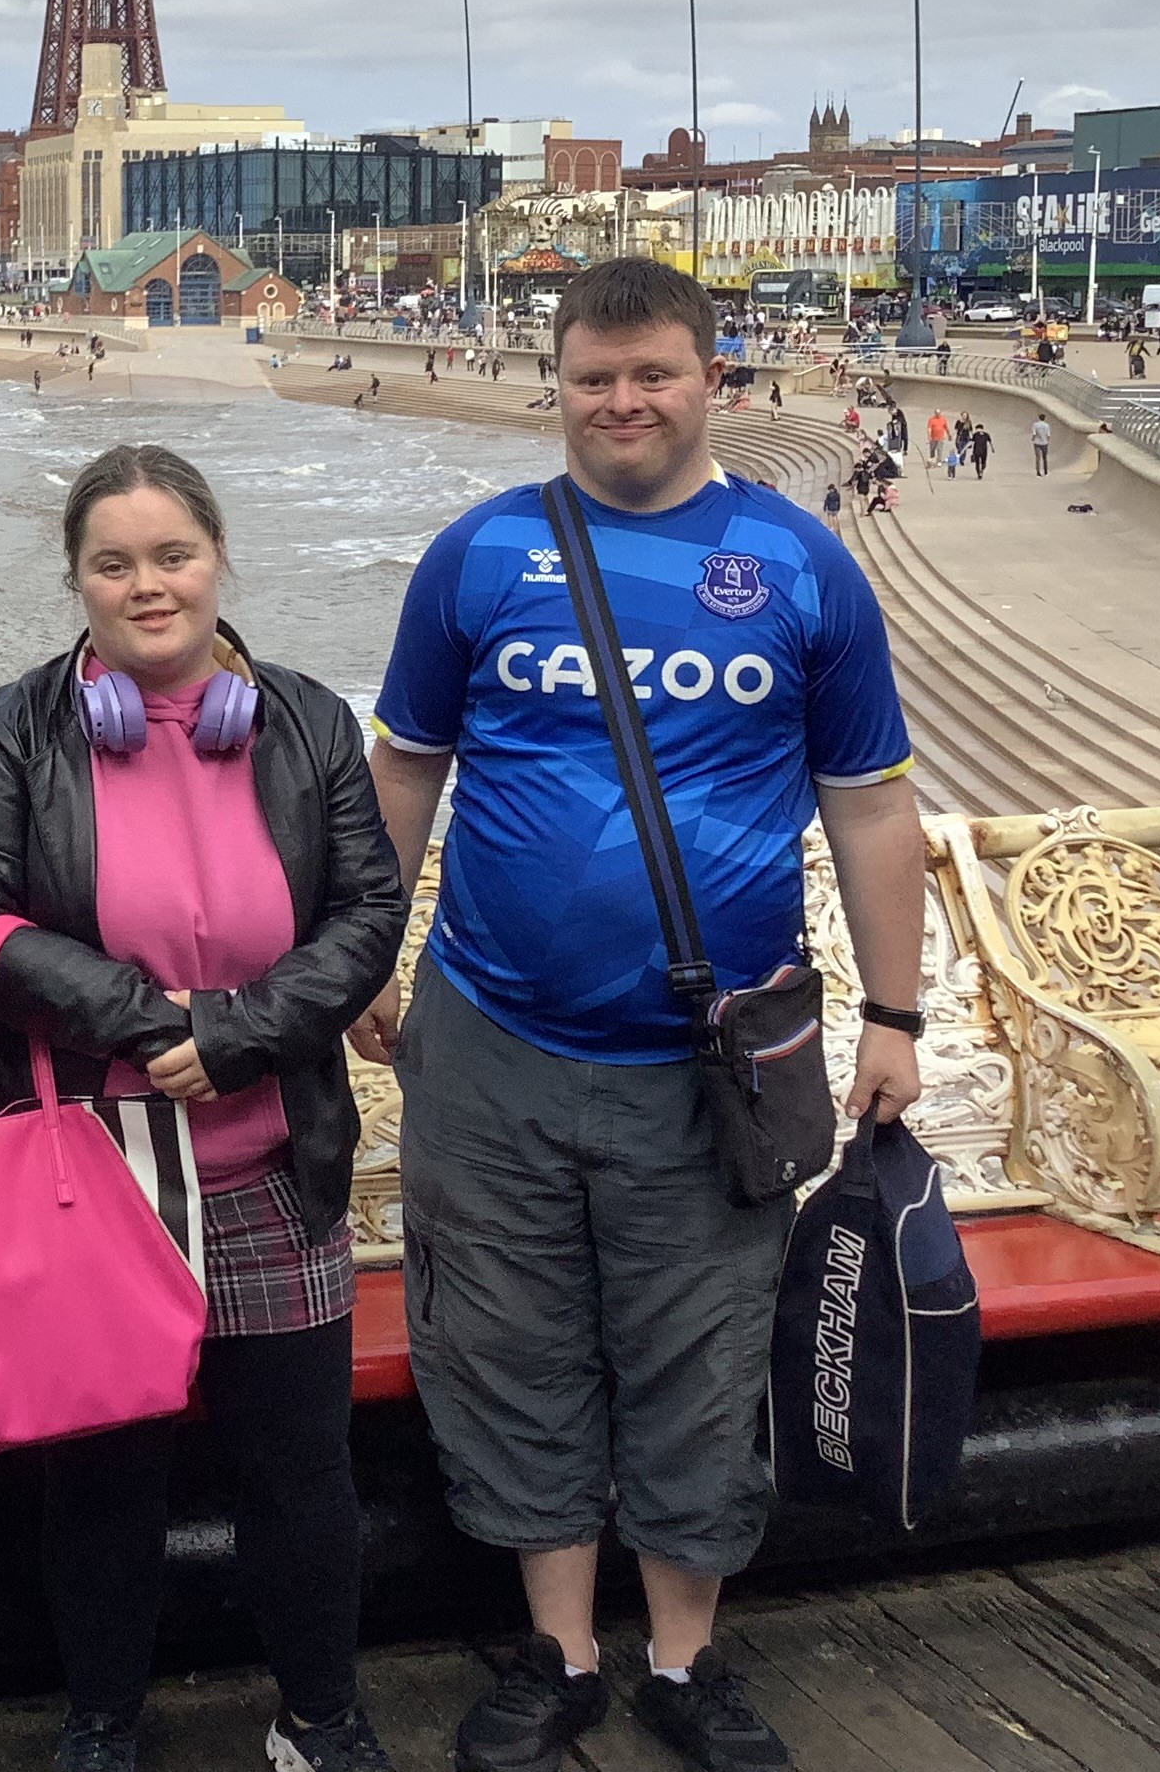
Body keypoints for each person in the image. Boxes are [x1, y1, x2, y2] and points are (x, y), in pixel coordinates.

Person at [357, 258, 925, 1772]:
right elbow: (404, 769)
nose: (624, 403)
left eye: (654, 374)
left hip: (714, 1060)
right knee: (507, 1341)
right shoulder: (480, 558)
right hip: (488, 1035)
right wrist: (357, 955)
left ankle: (683, 1664)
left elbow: (869, 805)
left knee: (701, 1347)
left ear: (710, 378)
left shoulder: (797, 566)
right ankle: (556, 1654)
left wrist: (898, 1014)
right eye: (596, 378)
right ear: (559, 382)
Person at [0, 445, 409, 1772]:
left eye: (171, 555)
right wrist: (160, 1029)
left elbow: (368, 911)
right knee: (101, 1480)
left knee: (300, 1477)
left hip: (273, 1167)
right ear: (78, 582)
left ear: (217, 559)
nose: (148, 586)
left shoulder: (309, 721)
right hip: (92, 1176)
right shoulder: (15, 729)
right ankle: (100, 1720)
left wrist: (243, 1034)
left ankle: (322, 1717)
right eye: (114, 563)